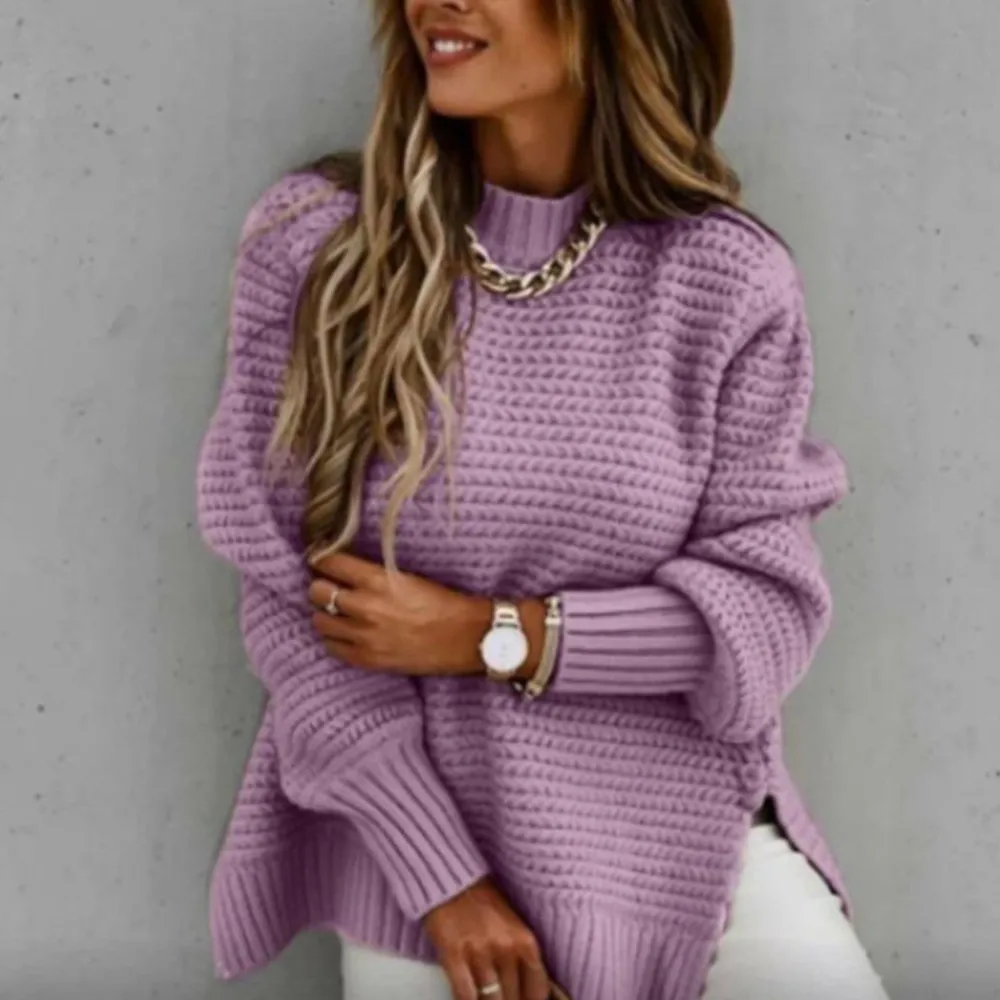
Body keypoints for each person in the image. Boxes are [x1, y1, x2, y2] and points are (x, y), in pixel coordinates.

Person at [195, 0, 892, 998]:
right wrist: (447, 883)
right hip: (423, 866)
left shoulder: (724, 278)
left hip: (686, 850)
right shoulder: (322, 248)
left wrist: (490, 635)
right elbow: (289, 606)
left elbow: (764, 616)